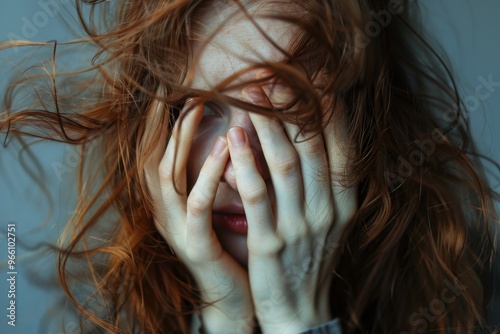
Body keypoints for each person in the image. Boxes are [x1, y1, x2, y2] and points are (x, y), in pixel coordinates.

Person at [0, 0, 498, 333]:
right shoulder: (100, 314)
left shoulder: (479, 297)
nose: (244, 178)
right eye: (200, 107)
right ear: (148, 126)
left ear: (367, 129)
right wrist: (224, 317)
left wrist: (297, 320)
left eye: (290, 112)